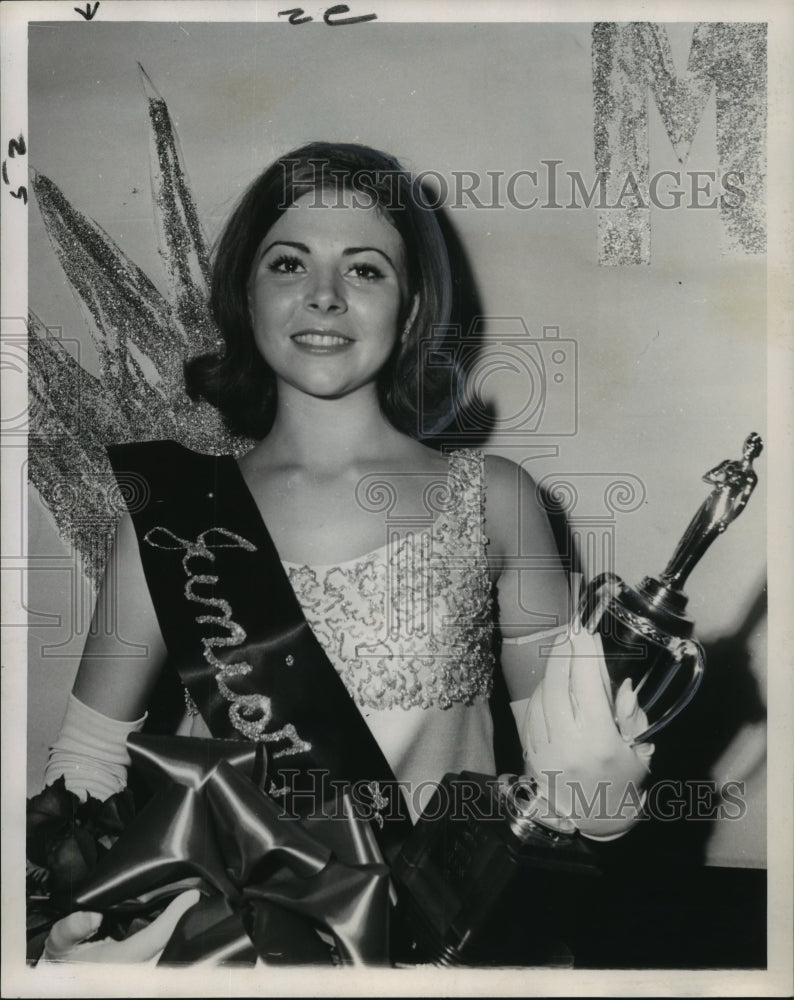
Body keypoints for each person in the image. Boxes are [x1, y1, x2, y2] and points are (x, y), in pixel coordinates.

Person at [38, 142, 652, 963]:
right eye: (289, 263)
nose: (323, 296)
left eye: (364, 270)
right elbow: (86, 768)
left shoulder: (495, 498)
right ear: (245, 291)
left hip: (436, 956)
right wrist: (60, 925)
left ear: (412, 302)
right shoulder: (167, 515)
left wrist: (608, 796)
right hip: (219, 958)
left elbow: (563, 784)